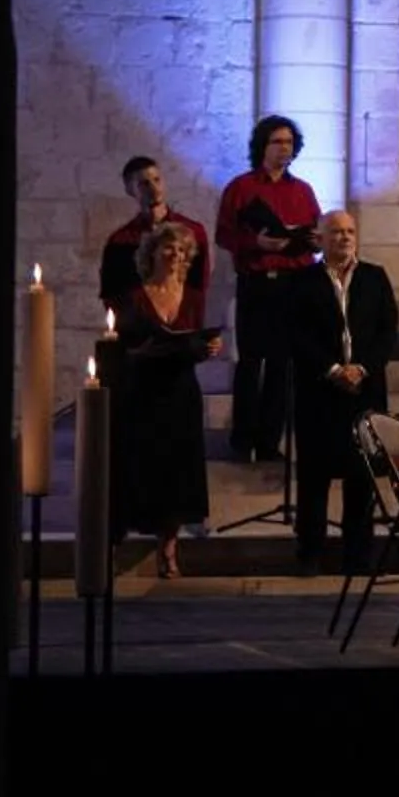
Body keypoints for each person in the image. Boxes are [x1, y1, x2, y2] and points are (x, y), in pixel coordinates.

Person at [285, 211, 396, 572]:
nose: (345, 238)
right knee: (315, 476)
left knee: (361, 475)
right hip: (320, 391)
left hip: (364, 391)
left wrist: (361, 368)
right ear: (320, 237)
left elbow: (387, 332)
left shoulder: (375, 278)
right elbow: (295, 334)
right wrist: (333, 370)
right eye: (336, 232)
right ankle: (310, 552)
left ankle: (358, 554)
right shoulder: (302, 281)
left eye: (350, 231)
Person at [110, 219, 221, 577]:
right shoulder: (135, 296)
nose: (175, 254)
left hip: (180, 392)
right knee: (141, 467)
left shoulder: (194, 297)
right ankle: (115, 544)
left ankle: (168, 549)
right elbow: (124, 345)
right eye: (167, 247)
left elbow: (198, 341)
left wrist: (210, 347)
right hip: (142, 392)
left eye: (181, 249)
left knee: (177, 471)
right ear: (152, 252)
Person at [214, 112, 320, 463]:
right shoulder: (242, 187)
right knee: (250, 362)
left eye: (289, 142)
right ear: (262, 145)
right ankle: (242, 440)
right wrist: (258, 242)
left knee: (282, 365)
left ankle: (269, 442)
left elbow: (315, 234)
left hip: (293, 284)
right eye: (277, 141)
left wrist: (313, 240)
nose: (284, 148)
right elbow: (224, 234)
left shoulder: (302, 190)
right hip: (257, 282)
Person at [99, 156, 205, 323]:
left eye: (157, 180)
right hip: (139, 329)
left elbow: (200, 284)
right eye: (144, 184)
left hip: (183, 324)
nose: (154, 189)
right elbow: (111, 293)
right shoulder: (120, 240)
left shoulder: (192, 231)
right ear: (130, 189)